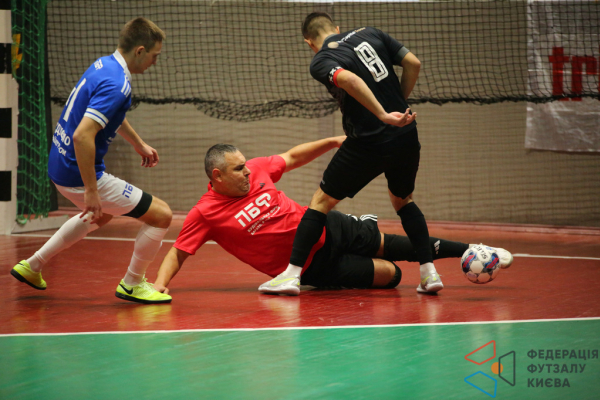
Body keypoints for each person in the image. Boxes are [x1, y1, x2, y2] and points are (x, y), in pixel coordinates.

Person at [260, 12, 500, 294]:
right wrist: (398, 106)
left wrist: (384, 115)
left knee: (321, 202)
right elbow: (413, 63)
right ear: (336, 27)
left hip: (368, 142)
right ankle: (429, 274)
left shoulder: (321, 60)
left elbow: (348, 79)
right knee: (403, 201)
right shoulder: (371, 32)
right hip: (406, 135)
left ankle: (291, 276)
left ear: (309, 42)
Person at [153, 138, 512, 297]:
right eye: (238, 169)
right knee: (392, 276)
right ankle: (334, 261)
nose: (248, 172)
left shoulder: (258, 170)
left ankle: (473, 250)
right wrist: (159, 284)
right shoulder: (205, 213)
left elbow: (292, 157)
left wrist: (333, 141)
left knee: (397, 245)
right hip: (312, 266)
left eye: (246, 165)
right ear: (217, 176)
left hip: (330, 226)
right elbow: (178, 252)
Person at [10, 18, 173, 304]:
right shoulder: (118, 84)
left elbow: (110, 114)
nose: (155, 62)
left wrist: (138, 143)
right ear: (140, 50)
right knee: (161, 216)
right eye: (154, 55)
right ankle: (133, 284)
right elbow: (83, 135)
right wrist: (92, 190)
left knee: (104, 214)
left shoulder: (104, 65)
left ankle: (32, 266)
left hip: (58, 163)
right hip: (77, 173)